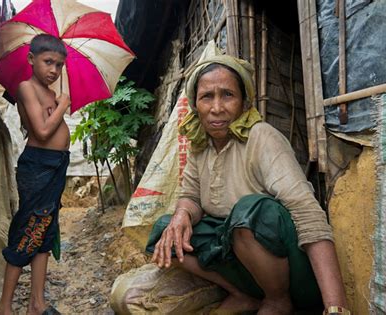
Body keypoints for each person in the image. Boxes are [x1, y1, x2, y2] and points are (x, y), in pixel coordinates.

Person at [146, 54, 350, 315]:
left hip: (292, 274)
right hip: (243, 263)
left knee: (250, 212)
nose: (216, 107)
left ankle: (278, 302)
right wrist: (182, 214)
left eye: (228, 95)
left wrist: (336, 306)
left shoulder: (261, 137)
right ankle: (242, 294)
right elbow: (191, 196)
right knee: (166, 230)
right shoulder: (201, 144)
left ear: (244, 103)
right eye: (207, 96)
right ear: (196, 104)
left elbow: (308, 214)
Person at [0, 34, 71, 315]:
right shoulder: (26, 88)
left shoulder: (51, 93)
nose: (54, 70)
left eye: (60, 65)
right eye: (48, 61)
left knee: (46, 232)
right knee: (30, 229)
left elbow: (51, 127)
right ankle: (4, 307)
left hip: (56, 164)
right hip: (39, 166)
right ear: (31, 59)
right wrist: (62, 106)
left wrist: (58, 102)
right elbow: (41, 131)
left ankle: (36, 304)